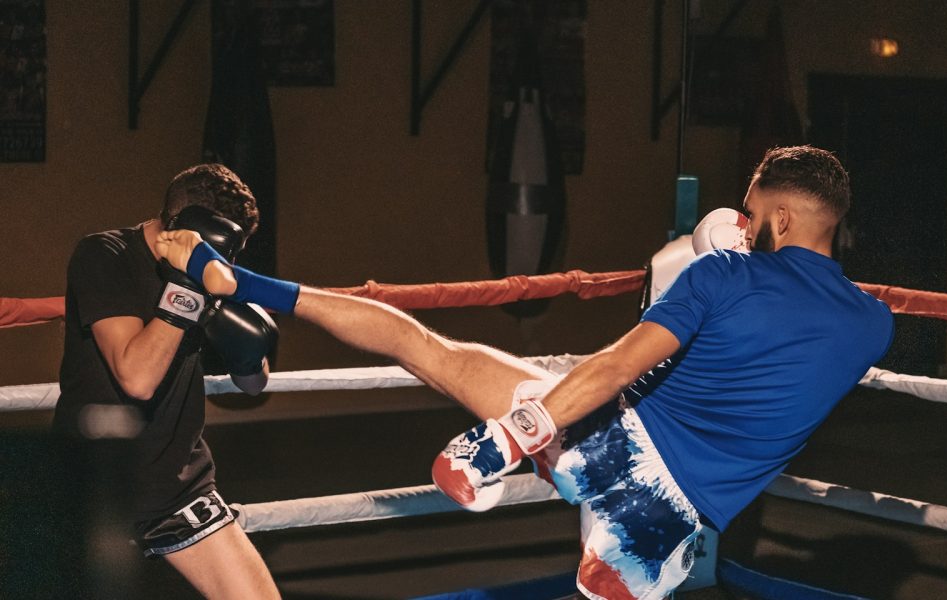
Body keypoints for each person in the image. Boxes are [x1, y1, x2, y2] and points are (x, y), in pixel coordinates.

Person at [156, 146, 894, 600]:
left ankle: (244, 281)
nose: (745, 223)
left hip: (608, 445)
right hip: (676, 519)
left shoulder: (726, 274)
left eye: (756, 211)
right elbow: (769, 367)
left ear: (784, 220)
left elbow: (613, 366)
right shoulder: (872, 326)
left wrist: (517, 432)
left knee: (424, 348)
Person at [52, 164, 282, 599]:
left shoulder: (210, 270)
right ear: (184, 228)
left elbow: (253, 386)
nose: (227, 263)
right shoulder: (105, 255)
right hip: (96, 488)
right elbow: (137, 377)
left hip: (179, 486)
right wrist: (188, 289)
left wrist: (248, 349)